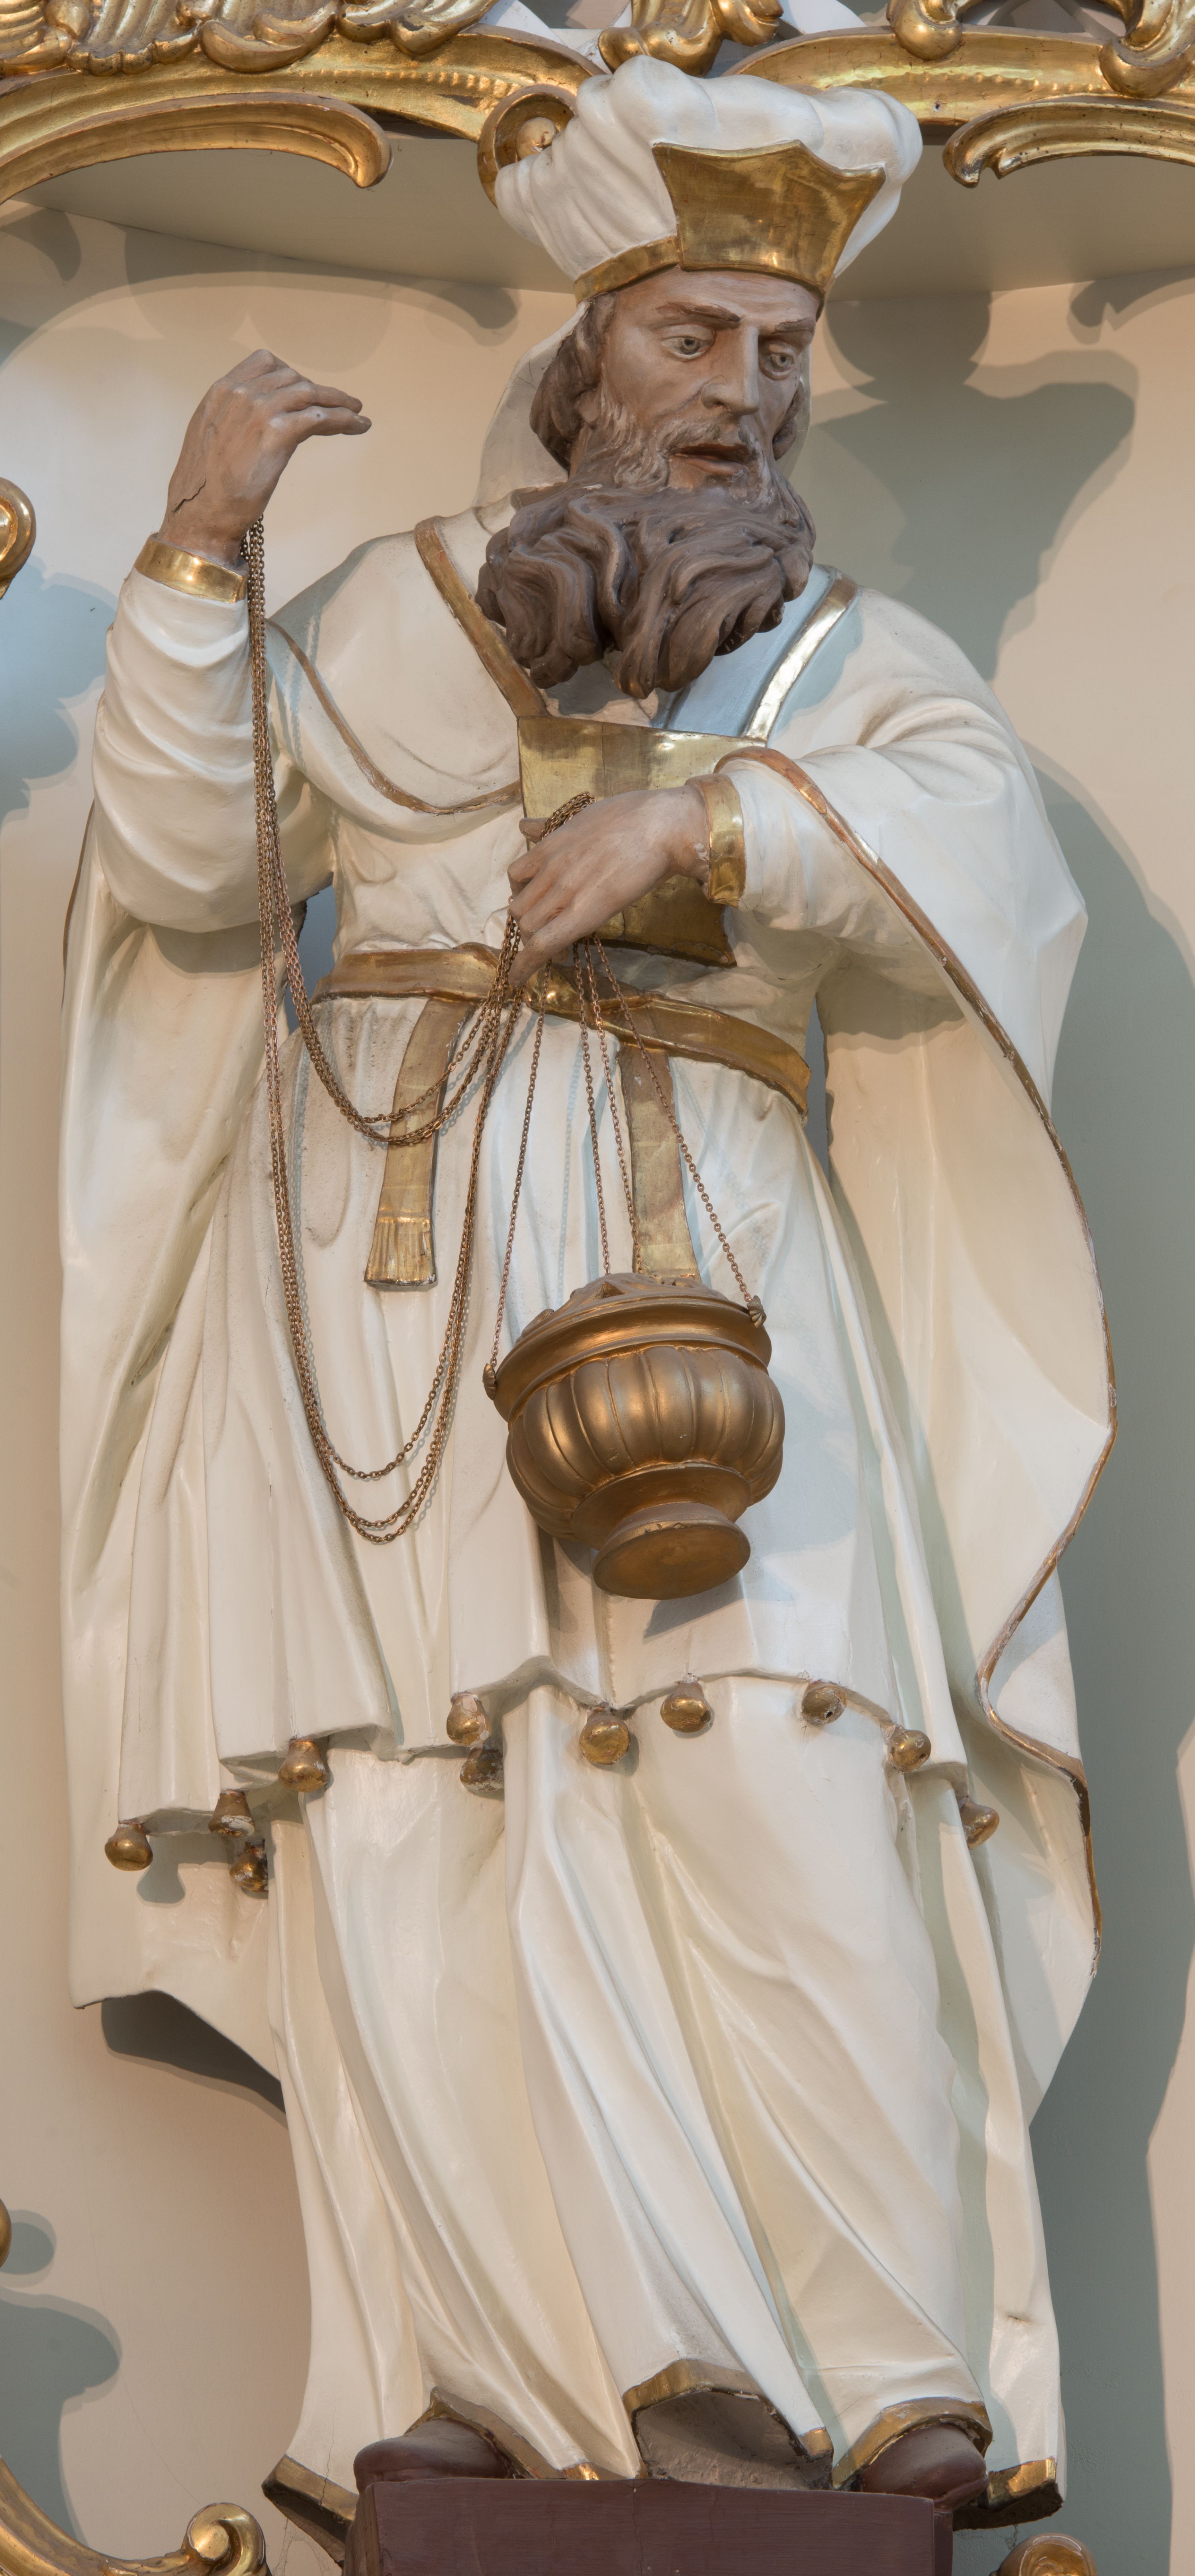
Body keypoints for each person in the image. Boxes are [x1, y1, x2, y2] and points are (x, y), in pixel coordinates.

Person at [59, 56, 1113, 2547]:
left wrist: (710, 822)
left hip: (719, 1252)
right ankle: (471, 2355)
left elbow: (985, 850)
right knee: (416, 1785)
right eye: (692, 338)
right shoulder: (394, 607)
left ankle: (885, 2372)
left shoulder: (840, 653)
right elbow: (191, 862)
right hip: (396, 1261)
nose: (742, 393)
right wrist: (196, 552)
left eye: (782, 353)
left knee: (782, 1755)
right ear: (586, 362)